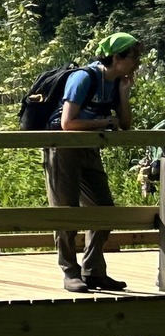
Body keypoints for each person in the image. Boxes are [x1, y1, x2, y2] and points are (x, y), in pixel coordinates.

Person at [48, 33, 145, 293]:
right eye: (134, 56)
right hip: (63, 150)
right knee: (66, 212)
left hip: (90, 150)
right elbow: (68, 124)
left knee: (104, 210)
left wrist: (124, 93)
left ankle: (93, 272)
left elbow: (124, 124)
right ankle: (70, 272)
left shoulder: (114, 83)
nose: (137, 62)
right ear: (116, 57)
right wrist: (103, 123)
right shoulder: (83, 78)